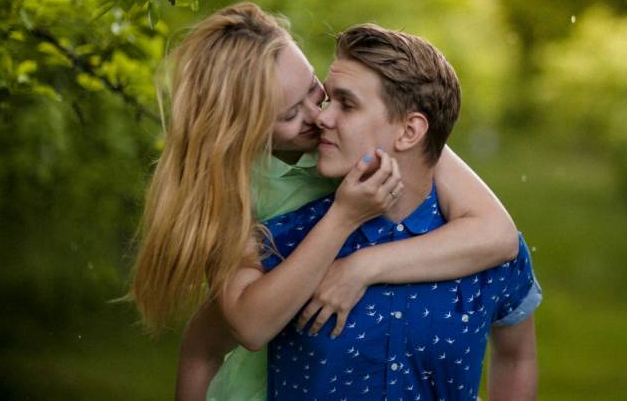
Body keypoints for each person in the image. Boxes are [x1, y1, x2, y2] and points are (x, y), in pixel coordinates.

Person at [128, 3, 520, 400]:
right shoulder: (235, 191)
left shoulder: (377, 136)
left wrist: (361, 267)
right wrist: (343, 216)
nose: (319, 116)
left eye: (316, 90)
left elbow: (497, 234)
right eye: (291, 114)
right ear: (248, 130)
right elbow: (239, 328)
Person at [220, 23, 540, 400]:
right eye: (329, 99)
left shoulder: (488, 253)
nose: (322, 117)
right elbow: (213, 340)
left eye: (347, 104)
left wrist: (361, 267)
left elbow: (516, 357)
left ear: (409, 132)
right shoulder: (282, 241)